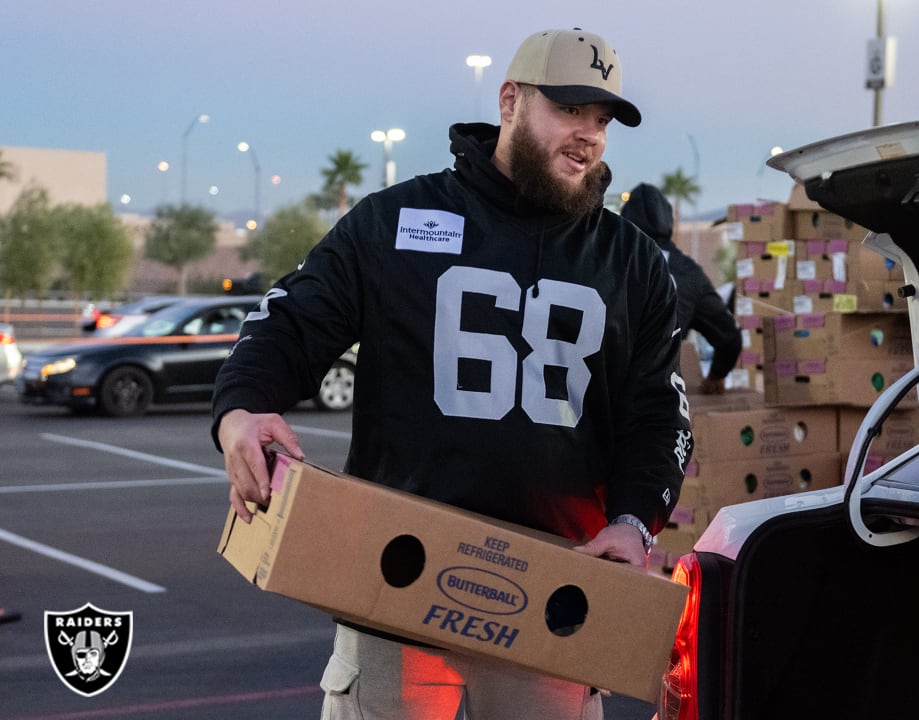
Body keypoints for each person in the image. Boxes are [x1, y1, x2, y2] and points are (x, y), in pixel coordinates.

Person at [211, 27, 692, 720]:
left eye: (602, 120)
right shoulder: (398, 220)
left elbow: (658, 413)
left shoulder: (632, 263)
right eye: (568, 110)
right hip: (392, 587)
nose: (587, 134)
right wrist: (239, 412)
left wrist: (632, 522)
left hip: (553, 601)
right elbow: (290, 321)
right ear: (510, 101)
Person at [621, 183, 743, 394]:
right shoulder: (689, 273)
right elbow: (729, 338)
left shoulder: (607, 261)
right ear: (669, 221)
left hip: (600, 394)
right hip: (659, 396)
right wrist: (715, 377)